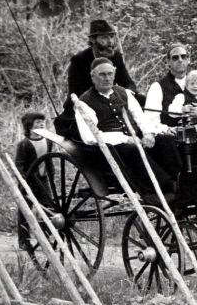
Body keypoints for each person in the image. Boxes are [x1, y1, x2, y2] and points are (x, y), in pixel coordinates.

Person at [74, 58, 182, 204]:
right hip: (108, 149)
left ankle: (179, 179)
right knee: (132, 149)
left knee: (165, 140)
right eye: (102, 74)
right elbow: (91, 137)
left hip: (133, 140)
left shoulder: (123, 93)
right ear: (93, 77)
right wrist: (125, 139)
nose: (107, 78)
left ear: (114, 74)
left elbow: (141, 118)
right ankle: (166, 186)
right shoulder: (84, 102)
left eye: (110, 73)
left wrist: (149, 133)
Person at [56, 19, 138, 138]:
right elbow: (76, 92)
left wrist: (128, 94)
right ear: (93, 40)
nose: (110, 42)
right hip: (87, 101)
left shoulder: (117, 57)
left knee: (142, 100)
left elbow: (128, 82)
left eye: (112, 37)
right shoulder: (78, 61)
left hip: (112, 98)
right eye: (105, 38)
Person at [144, 43, 197, 131]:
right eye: (175, 57)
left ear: (188, 59)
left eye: (183, 56)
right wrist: (167, 129)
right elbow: (150, 120)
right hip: (172, 136)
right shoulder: (157, 87)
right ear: (168, 61)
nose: (180, 60)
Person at [14, 112, 54, 255]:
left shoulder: (48, 141)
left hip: (43, 181)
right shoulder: (24, 144)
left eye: (42, 121)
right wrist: (22, 182)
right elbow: (19, 165)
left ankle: (46, 238)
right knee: (25, 211)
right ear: (29, 125)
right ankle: (24, 241)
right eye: (37, 122)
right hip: (29, 182)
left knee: (48, 209)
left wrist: (51, 177)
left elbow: (49, 160)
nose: (41, 124)